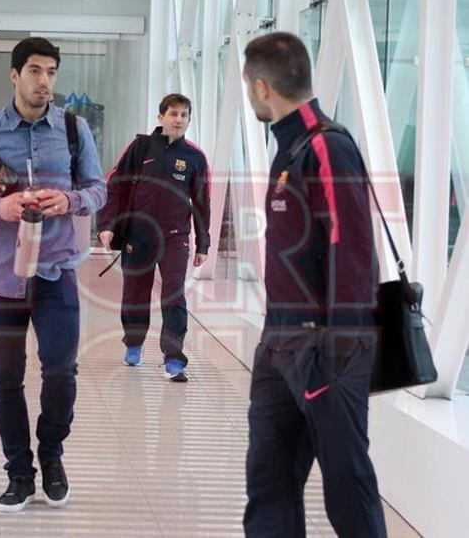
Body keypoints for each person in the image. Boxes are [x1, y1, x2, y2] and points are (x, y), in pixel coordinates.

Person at [0, 37, 106, 513]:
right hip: (2, 279)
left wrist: (70, 201)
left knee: (61, 371)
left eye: (51, 72)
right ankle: (19, 471)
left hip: (57, 273)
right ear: (14, 74)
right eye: (34, 71)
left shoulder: (74, 130)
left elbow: (99, 189)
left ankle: (51, 456)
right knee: (6, 377)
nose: (44, 81)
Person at [241, 32, 387, 537]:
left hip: (325, 347)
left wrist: (334, 350)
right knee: (268, 484)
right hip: (280, 344)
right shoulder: (290, 149)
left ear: (262, 87)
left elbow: (354, 251)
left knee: (348, 490)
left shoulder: (327, 146)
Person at [97, 93, 210, 382]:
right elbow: (115, 187)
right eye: (173, 114)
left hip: (175, 238)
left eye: (184, 115)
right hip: (138, 234)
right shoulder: (140, 148)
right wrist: (107, 224)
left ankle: (174, 359)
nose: (179, 120)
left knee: (174, 294)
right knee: (135, 294)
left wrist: (203, 243)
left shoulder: (195, 157)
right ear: (160, 117)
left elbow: (202, 203)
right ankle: (133, 343)